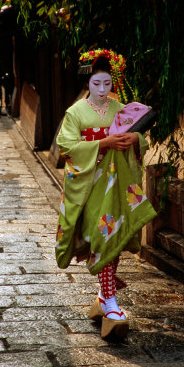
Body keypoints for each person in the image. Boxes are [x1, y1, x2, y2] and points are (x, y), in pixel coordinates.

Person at [55, 48, 157, 338]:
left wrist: (133, 138)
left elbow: (144, 142)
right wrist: (104, 143)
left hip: (116, 185)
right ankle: (110, 302)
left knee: (113, 235)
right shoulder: (75, 113)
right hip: (90, 185)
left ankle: (105, 298)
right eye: (96, 83)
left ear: (114, 84)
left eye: (107, 84)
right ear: (87, 83)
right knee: (102, 235)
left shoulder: (121, 109)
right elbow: (67, 148)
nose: (102, 90)